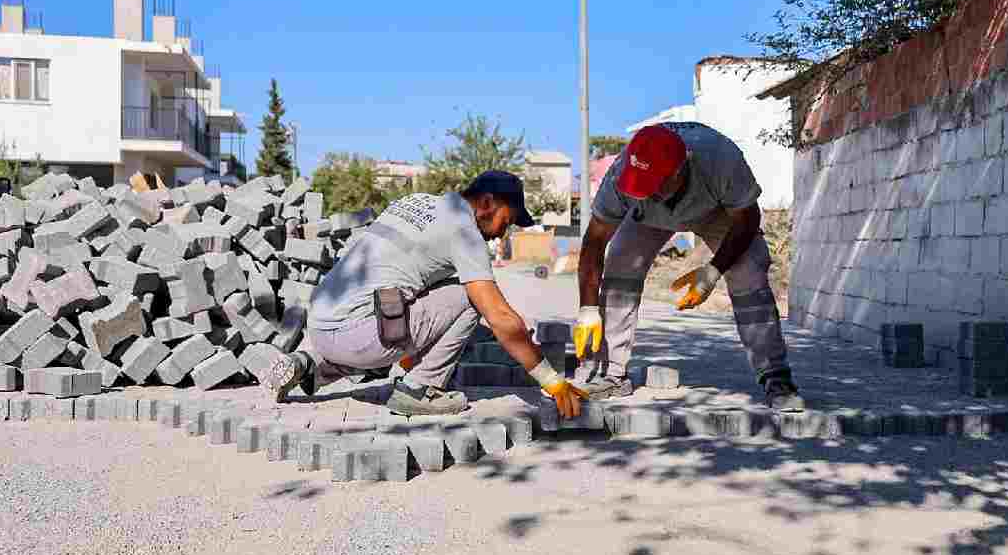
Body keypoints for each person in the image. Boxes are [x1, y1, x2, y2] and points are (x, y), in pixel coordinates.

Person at [262, 170, 587, 418]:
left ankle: (309, 367)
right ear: (487, 203)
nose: (505, 231)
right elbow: (499, 316)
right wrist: (551, 380)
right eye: (508, 220)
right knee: (471, 299)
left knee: (387, 310)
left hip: (319, 326)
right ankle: (419, 388)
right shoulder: (465, 232)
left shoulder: (416, 202)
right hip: (359, 336)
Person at [571, 122, 806, 411]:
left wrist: (712, 271)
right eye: (642, 185)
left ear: (680, 169)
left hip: (715, 211)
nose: (649, 190)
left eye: (655, 184)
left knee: (749, 270)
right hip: (648, 217)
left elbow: (747, 219)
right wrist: (588, 310)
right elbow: (594, 242)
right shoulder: (624, 174)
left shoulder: (719, 159)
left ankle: (775, 376)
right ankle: (609, 373)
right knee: (620, 261)